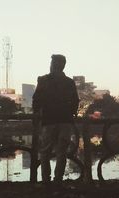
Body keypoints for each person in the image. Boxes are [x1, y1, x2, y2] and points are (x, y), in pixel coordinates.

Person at [32, 54, 79, 186]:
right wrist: (71, 113)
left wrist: (37, 114)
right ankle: (58, 179)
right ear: (63, 65)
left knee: (45, 151)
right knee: (62, 152)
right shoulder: (69, 82)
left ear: (53, 65)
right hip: (65, 121)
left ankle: (45, 180)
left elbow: (36, 100)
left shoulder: (43, 80)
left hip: (48, 120)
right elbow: (75, 101)